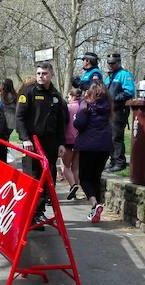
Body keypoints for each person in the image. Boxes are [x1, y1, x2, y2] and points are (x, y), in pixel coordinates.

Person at [15, 61, 69, 221]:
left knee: (47, 178)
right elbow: (20, 117)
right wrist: (25, 138)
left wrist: (61, 143)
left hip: (50, 144)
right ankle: (28, 213)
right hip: (32, 143)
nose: (40, 76)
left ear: (51, 74)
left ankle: (38, 212)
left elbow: (61, 122)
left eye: (44, 73)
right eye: (38, 73)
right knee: (32, 177)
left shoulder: (56, 96)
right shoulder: (28, 92)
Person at [72, 81, 113, 223]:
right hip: (105, 146)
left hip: (89, 146)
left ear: (90, 92)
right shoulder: (107, 106)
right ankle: (97, 208)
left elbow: (79, 124)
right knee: (96, 176)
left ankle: (95, 204)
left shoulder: (86, 104)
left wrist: (76, 117)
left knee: (84, 177)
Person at [104, 53, 135, 172]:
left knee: (116, 136)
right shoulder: (109, 77)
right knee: (109, 136)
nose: (110, 65)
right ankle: (113, 161)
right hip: (109, 110)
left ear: (118, 62)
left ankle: (120, 162)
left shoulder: (124, 75)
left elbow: (129, 92)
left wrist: (115, 98)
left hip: (119, 110)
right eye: (109, 63)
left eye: (113, 63)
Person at [63, 89, 83, 200]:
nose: (68, 99)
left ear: (72, 96)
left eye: (68, 97)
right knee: (75, 167)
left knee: (65, 166)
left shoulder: (68, 107)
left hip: (68, 139)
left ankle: (73, 186)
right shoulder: (83, 106)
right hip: (80, 140)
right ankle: (75, 188)